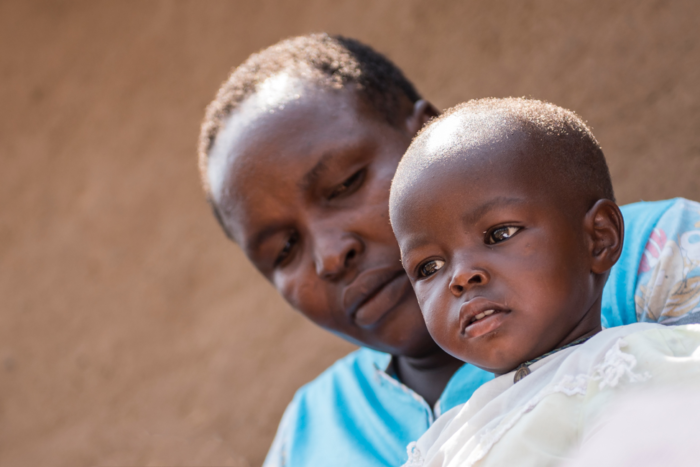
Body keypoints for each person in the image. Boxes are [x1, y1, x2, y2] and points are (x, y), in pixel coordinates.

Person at [197, 34, 700, 466]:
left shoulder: (655, 256)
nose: (330, 255)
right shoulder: (312, 433)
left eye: (346, 183)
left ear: (426, 132)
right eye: (284, 249)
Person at [389, 97, 700, 467]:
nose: (460, 276)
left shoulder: (642, 364)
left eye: (500, 233)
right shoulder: (447, 437)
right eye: (429, 267)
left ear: (598, 238)